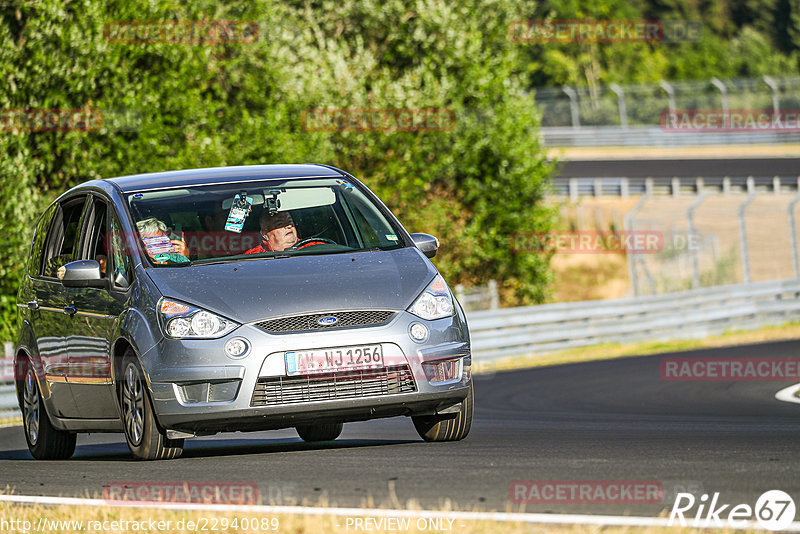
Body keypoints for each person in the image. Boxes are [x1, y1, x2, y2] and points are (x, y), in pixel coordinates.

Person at [244, 210, 325, 254]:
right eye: (280, 224)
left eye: (290, 221)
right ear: (265, 234)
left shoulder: (315, 248)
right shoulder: (253, 256)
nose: (289, 226)